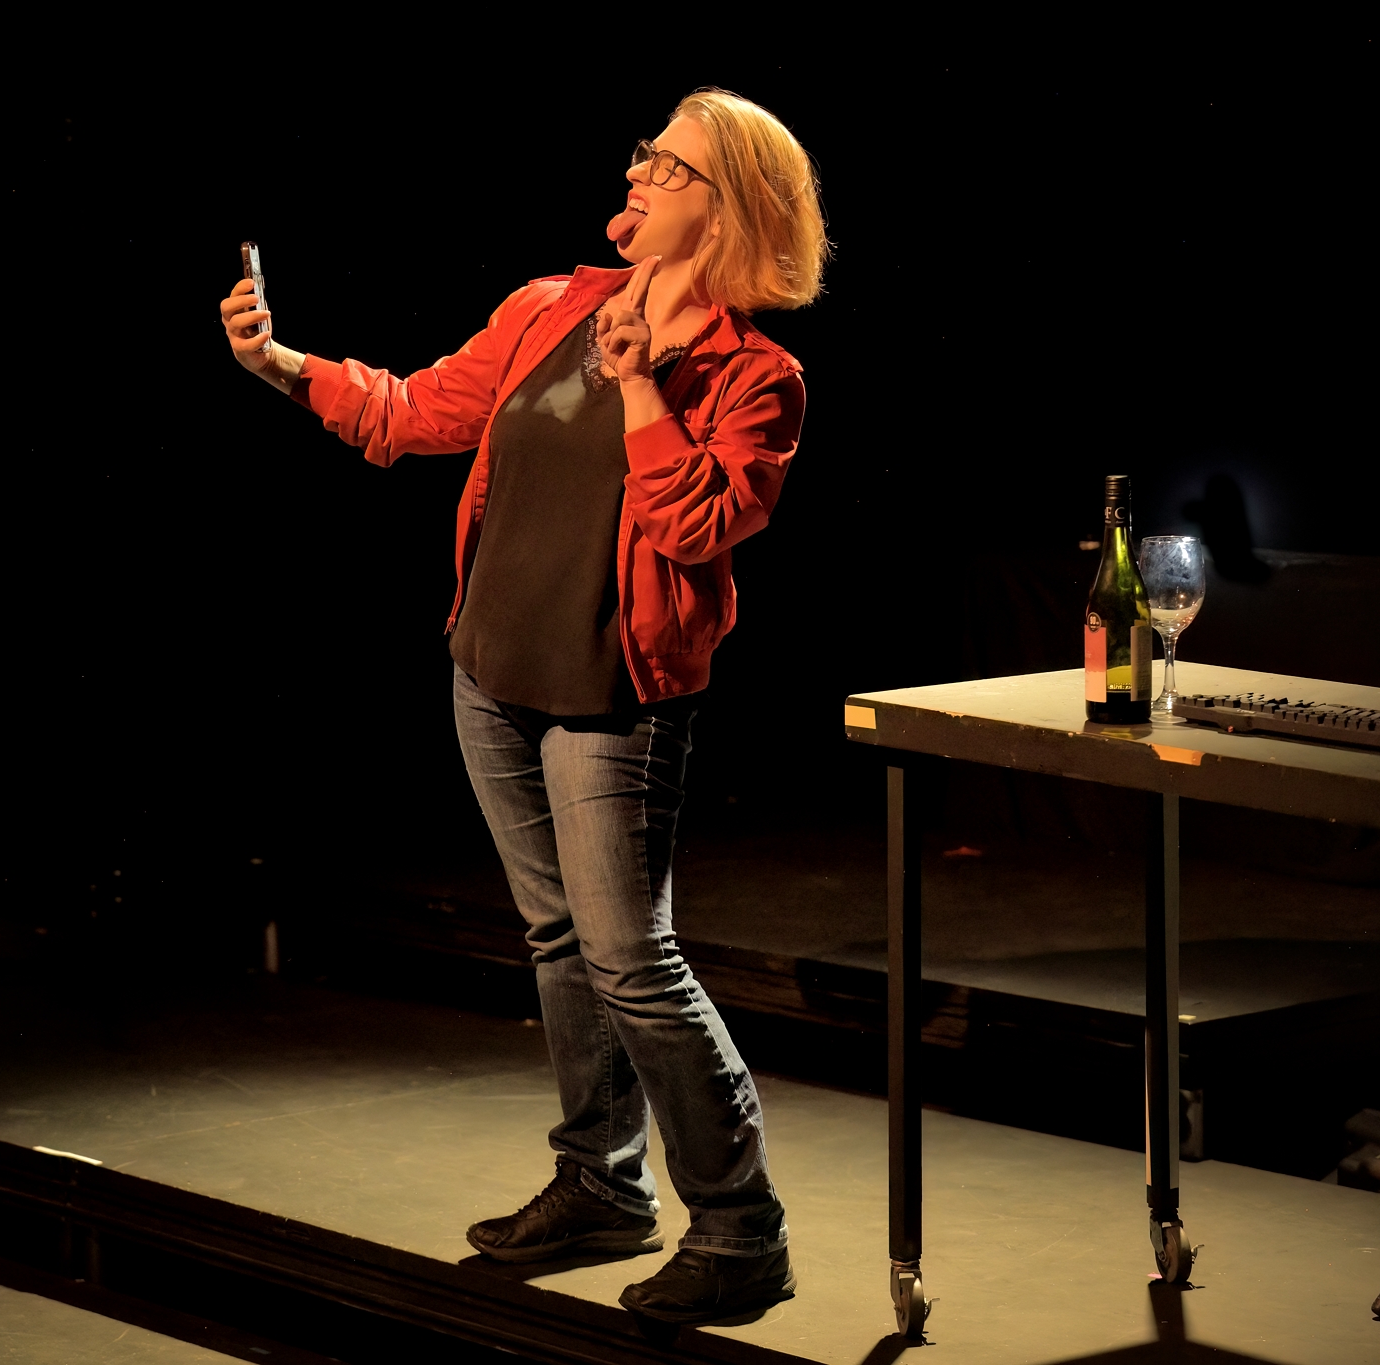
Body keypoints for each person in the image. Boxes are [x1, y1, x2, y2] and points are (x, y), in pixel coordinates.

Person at [220, 88, 825, 1324]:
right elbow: (414, 415)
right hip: (490, 672)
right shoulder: (550, 307)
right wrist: (277, 364)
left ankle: (739, 1227)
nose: (640, 171)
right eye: (646, 152)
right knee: (556, 944)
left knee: (631, 959)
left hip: (614, 699)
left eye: (670, 161)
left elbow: (699, 524)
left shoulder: (756, 377)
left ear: (724, 206)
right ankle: (598, 1183)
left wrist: (648, 388)